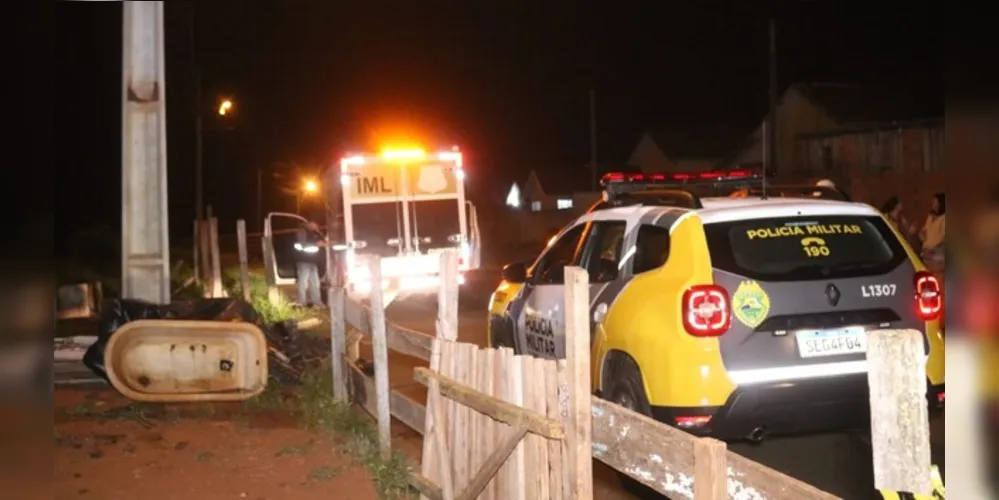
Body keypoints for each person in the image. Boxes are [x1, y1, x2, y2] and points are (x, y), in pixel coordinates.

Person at [294, 220, 327, 307]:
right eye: (315, 225)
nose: (316, 227)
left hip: (313, 261)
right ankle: (301, 302)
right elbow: (302, 244)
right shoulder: (302, 231)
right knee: (303, 283)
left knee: (315, 283)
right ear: (310, 223)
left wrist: (318, 232)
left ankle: (317, 302)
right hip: (303, 261)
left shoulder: (314, 233)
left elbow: (323, 240)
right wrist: (316, 243)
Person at [919, 193, 946, 272]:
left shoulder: (944, 218)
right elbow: (925, 229)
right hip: (925, 251)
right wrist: (921, 233)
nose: (933, 204)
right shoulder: (930, 216)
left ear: (941, 204)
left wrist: (932, 249)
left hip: (935, 254)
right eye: (933, 202)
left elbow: (943, 238)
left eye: (935, 203)